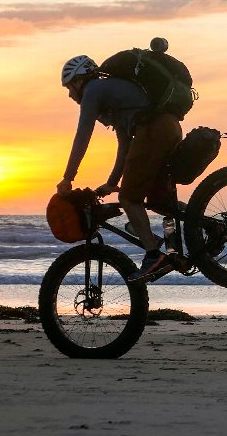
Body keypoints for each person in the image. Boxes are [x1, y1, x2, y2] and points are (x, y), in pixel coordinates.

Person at [56, 54, 184, 282]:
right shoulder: (113, 96)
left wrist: (68, 178)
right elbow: (125, 145)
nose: (69, 94)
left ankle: (154, 255)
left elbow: (82, 135)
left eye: (69, 86)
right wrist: (112, 182)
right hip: (169, 127)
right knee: (159, 201)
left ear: (78, 81)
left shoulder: (93, 90)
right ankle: (208, 228)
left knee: (129, 199)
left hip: (153, 130)